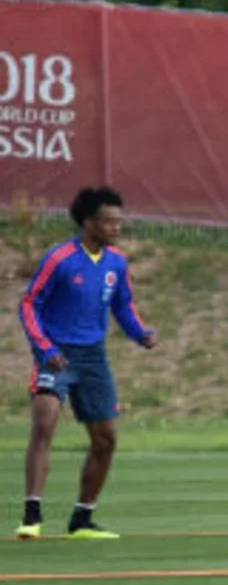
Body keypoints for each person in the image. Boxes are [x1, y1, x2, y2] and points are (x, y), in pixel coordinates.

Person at [16, 186, 157, 540]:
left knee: (106, 438)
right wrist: (45, 349)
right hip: (57, 353)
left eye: (119, 222)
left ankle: (82, 519)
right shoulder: (59, 258)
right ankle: (32, 515)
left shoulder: (116, 262)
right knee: (45, 421)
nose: (116, 228)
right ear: (89, 222)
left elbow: (123, 305)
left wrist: (139, 333)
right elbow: (29, 304)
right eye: (109, 222)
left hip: (93, 356)